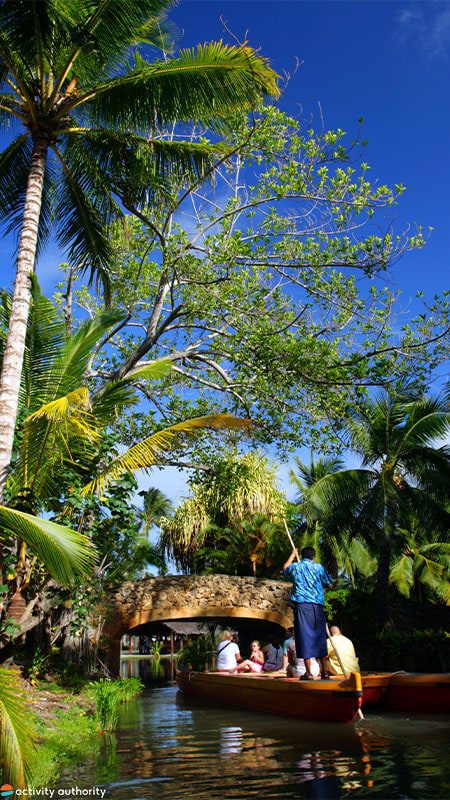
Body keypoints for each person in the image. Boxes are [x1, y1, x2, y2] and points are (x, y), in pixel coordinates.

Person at [283, 546, 332, 680]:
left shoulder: (296, 567)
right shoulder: (319, 568)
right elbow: (329, 583)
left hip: (302, 606)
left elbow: (285, 568)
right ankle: (325, 672)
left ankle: (309, 673)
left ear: (302, 556)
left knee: (304, 637)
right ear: (313, 557)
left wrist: (293, 554)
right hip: (317, 607)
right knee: (319, 637)